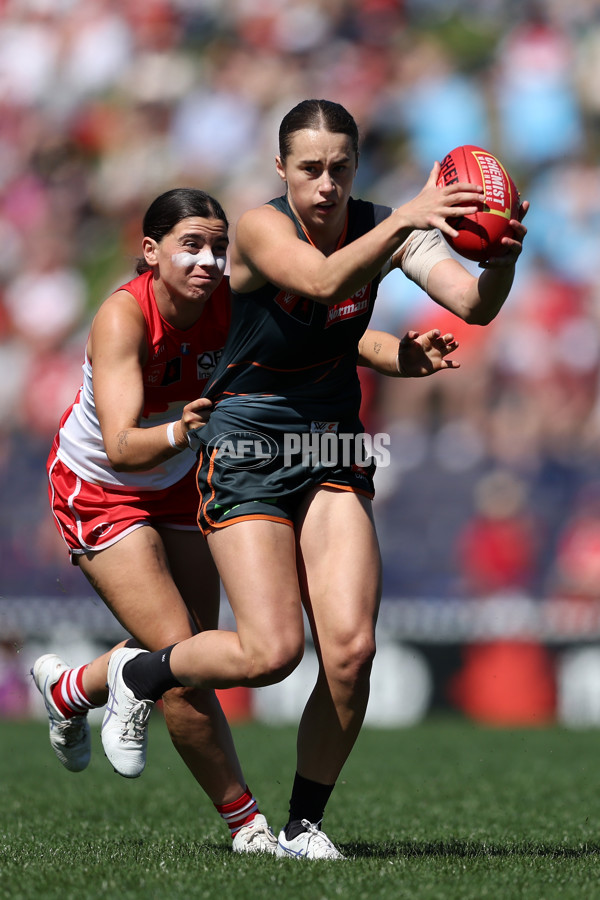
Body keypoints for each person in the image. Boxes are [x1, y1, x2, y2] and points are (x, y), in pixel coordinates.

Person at [99, 98, 528, 860]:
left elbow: (471, 305)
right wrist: (406, 223)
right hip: (246, 446)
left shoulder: (386, 220)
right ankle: (139, 673)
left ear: (357, 168)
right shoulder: (261, 229)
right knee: (270, 654)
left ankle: (303, 827)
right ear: (281, 170)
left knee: (352, 651)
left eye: (340, 168)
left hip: (331, 446)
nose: (326, 184)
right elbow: (327, 283)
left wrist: (500, 254)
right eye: (309, 169)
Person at [31, 184, 460, 854]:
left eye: (217, 247)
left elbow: (335, 338)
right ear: (150, 252)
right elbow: (120, 444)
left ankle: (70, 688)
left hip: (184, 477)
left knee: (192, 651)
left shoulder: (231, 301)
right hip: (105, 487)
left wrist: (402, 356)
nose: (208, 261)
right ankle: (246, 826)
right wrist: (182, 433)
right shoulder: (125, 316)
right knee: (179, 649)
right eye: (190, 246)